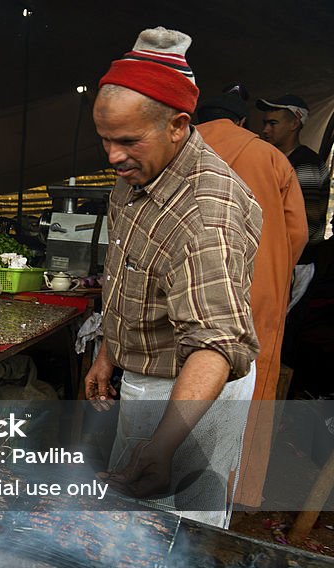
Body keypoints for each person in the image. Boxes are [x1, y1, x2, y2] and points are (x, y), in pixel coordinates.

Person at [85, 27, 262, 528]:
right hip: (147, 380)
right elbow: (127, 271)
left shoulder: (207, 213)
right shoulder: (136, 173)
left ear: (179, 126)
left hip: (193, 395)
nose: (112, 156)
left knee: (181, 540)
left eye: (126, 141)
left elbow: (217, 344)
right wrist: (109, 351)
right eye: (104, 139)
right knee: (132, 528)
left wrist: (163, 447)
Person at [196, 93, 308, 507]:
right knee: (248, 382)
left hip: (183, 290)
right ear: (241, 121)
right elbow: (296, 235)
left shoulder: (171, 151)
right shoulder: (272, 158)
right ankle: (229, 486)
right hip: (252, 291)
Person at [257, 94, 331, 255]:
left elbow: (305, 225)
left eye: (273, 123)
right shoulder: (278, 160)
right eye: (265, 123)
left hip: (297, 259)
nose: (265, 130)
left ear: (294, 124)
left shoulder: (306, 165)